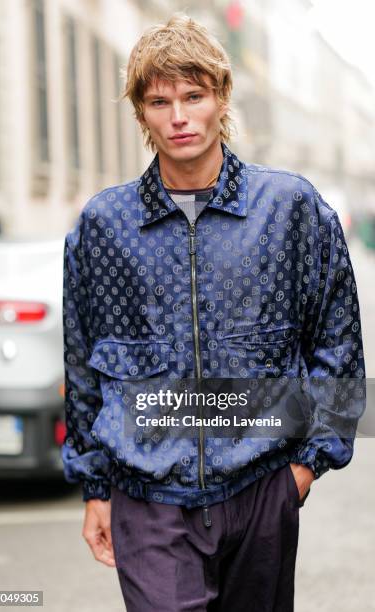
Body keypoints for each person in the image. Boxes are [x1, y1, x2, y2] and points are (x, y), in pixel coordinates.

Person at [62, 14, 365, 612]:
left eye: (193, 96)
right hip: (148, 495)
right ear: (141, 112)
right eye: (159, 100)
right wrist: (95, 487)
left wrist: (304, 468)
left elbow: (338, 342)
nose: (178, 116)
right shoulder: (105, 226)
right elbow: (81, 364)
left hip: (261, 488)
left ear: (221, 96)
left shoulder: (290, 209)